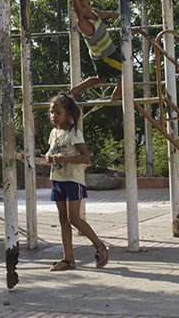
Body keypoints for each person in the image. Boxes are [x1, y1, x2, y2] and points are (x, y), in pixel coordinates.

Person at [44, 92, 109, 271]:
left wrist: (64, 159)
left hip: (73, 181)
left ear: (68, 114)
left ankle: (100, 246)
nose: (54, 116)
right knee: (63, 219)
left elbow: (85, 157)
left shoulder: (73, 133)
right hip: (57, 180)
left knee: (74, 218)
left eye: (58, 113)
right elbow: (51, 151)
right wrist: (49, 156)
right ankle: (68, 260)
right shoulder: (53, 133)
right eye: (51, 112)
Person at [69, 0, 123, 102]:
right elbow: (78, 11)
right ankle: (117, 94)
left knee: (102, 78)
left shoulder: (94, 13)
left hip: (99, 56)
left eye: (88, 4)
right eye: (83, 6)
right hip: (105, 55)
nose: (88, 8)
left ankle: (77, 89)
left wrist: (106, 13)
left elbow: (115, 16)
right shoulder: (83, 24)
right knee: (126, 69)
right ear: (76, 9)